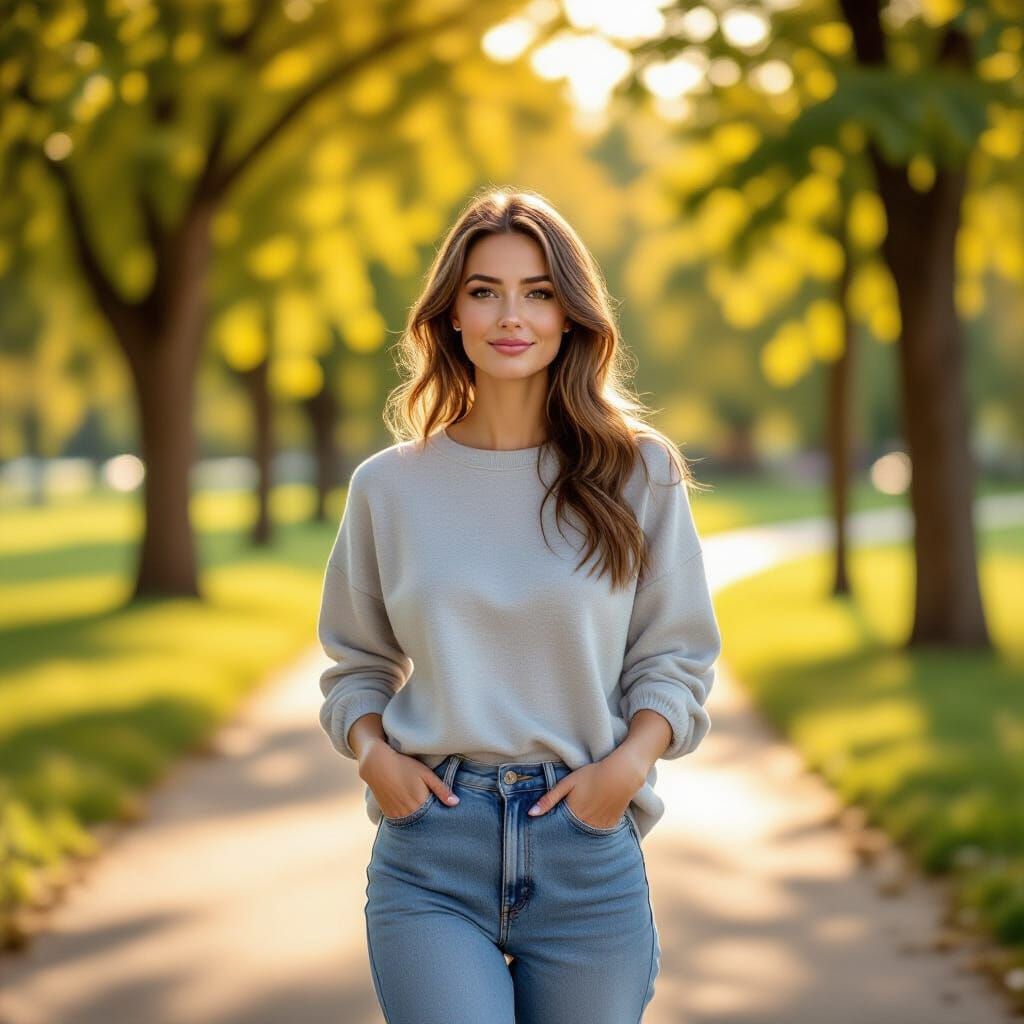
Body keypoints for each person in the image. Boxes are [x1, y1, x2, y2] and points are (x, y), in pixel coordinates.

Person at [316, 186, 722, 1024]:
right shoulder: (388, 487)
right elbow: (355, 663)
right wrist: (374, 757)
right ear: (450, 316)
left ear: (571, 317)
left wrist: (626, 770)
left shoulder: (637, 473)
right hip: (434, 848)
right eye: (484, 290)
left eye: (538, 292)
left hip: (586, 842)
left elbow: (675, 657)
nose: (513, 315)